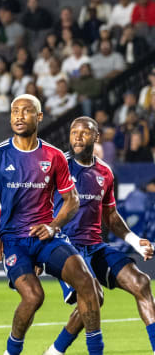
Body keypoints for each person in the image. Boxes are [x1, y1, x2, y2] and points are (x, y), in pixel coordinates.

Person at [0, 94, 104, 355]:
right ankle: (12, 351)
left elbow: (71, 201)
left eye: (26, 111)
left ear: (39, 117)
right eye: (14, 111)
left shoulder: (54, 156)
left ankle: (95, 351)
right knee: (33, 297)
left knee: (88, 284)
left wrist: (54, 226)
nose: (19, 116)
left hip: (47, 238)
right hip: (13, 240)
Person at [41, 117, 155, 355]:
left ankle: (54, 351)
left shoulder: (105, 171)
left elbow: (111, 215)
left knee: (141, 283)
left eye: (84, 132)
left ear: (96, 137)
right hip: (65, 248)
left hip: (95, 246)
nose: (78, 137)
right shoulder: (57, 164)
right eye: (74, 132)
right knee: (93, 295)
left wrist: (135, 241)